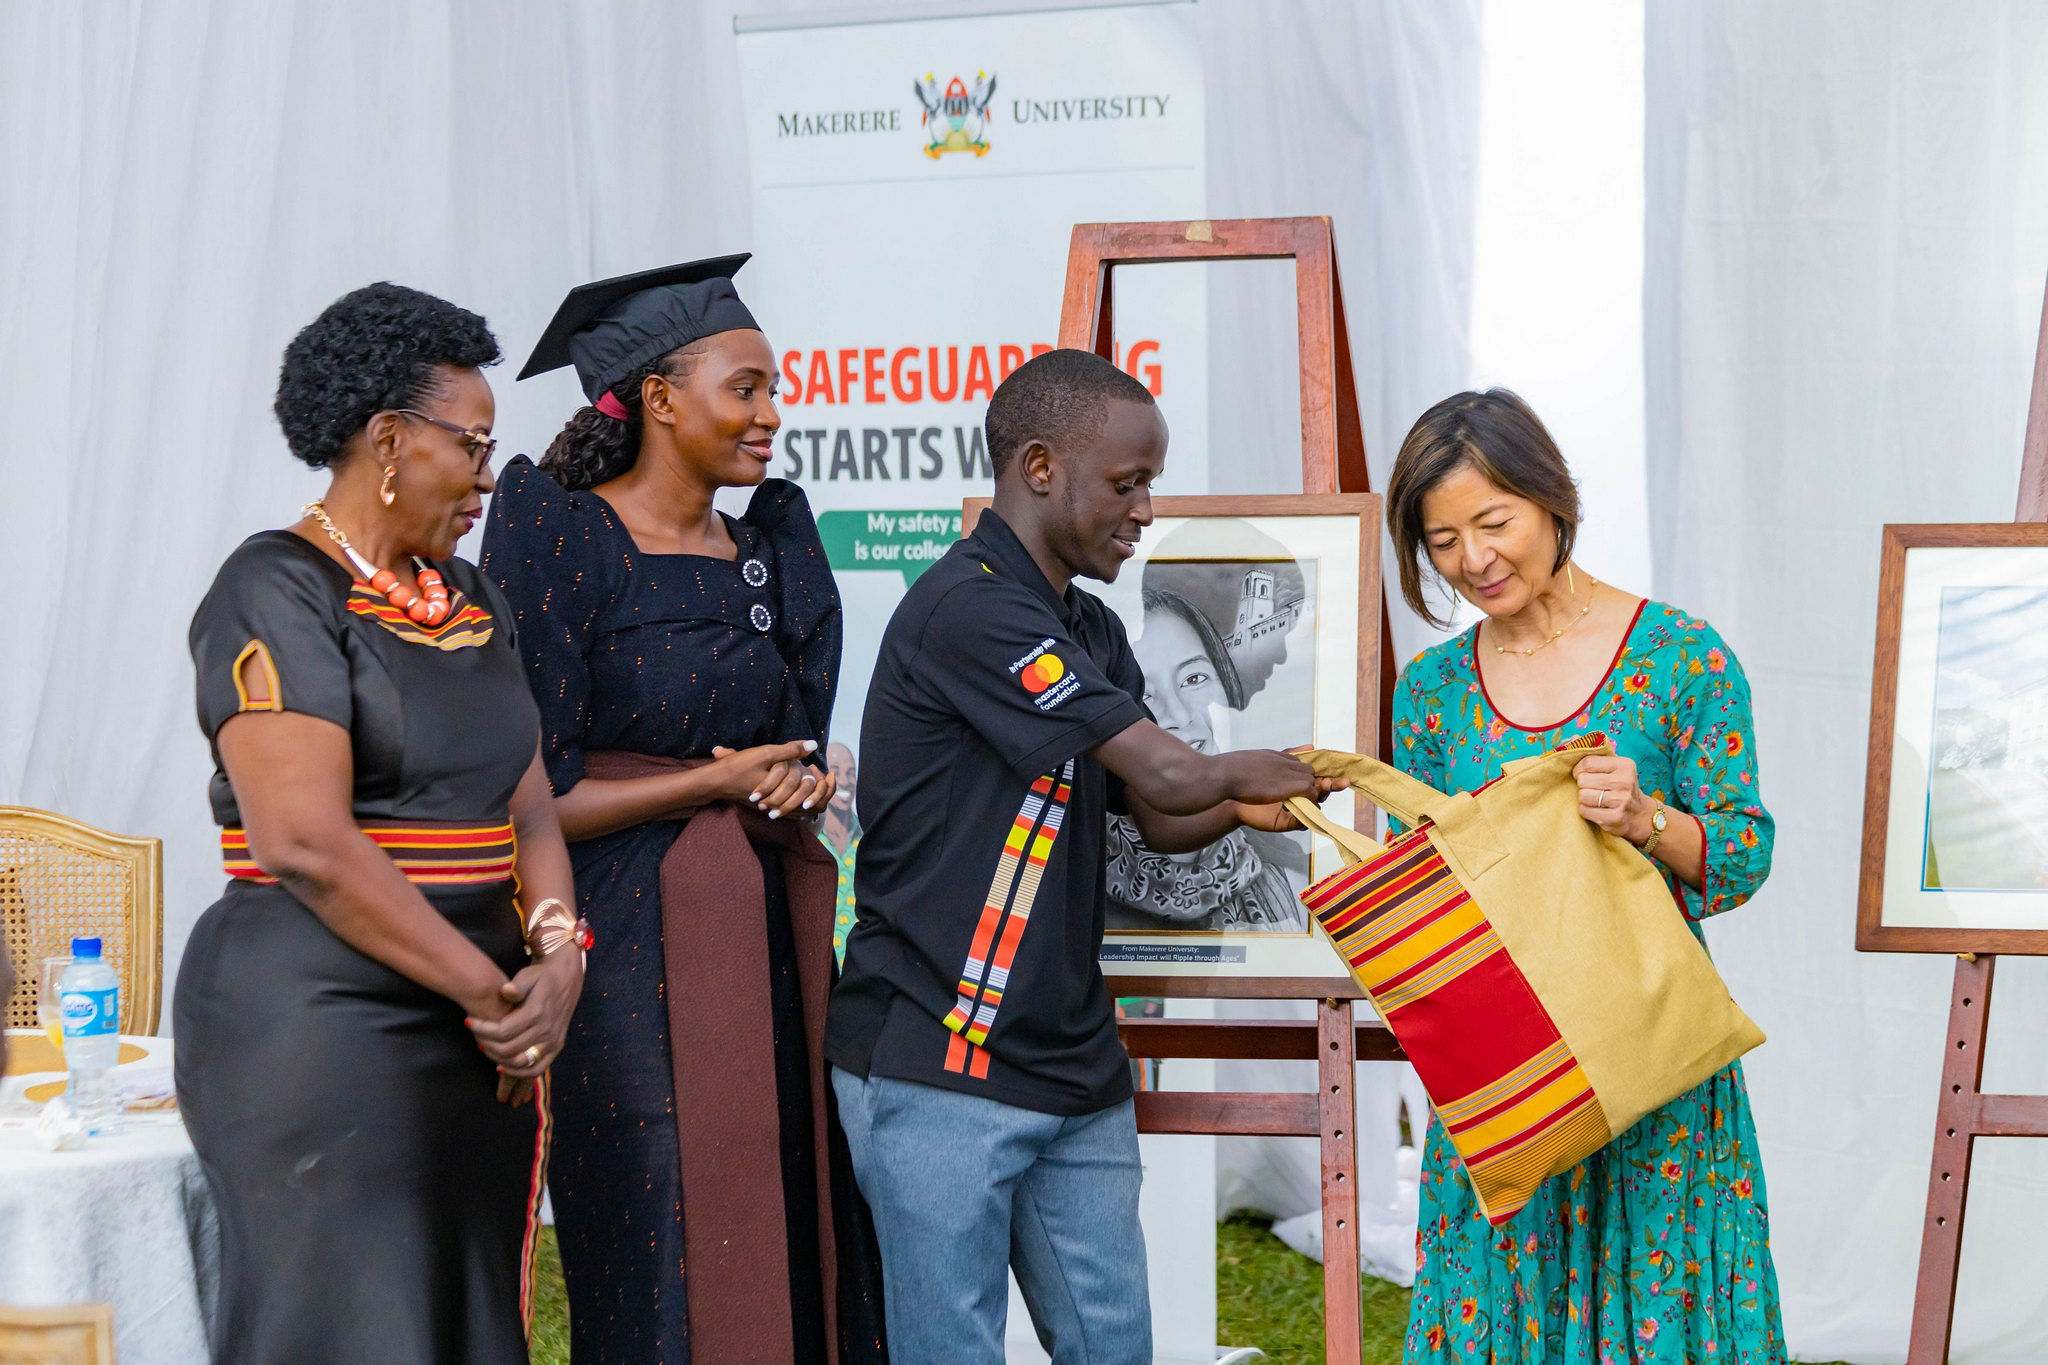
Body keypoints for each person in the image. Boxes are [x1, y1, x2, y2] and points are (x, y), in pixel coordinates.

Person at [826, 348, 1334, 1365]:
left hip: (1072, 1064)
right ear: (1039, 466)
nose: (1145, 510)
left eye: (1150, 483)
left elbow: (1157, 815)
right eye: (1127, 482)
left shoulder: (1089, 627)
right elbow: (1172, 772)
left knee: (1113, 1347)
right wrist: (1266, 766)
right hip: (938, 1060)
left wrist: (1245, 809)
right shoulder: (968, 608)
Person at [481, 255, 884, 1365]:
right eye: (743, 388)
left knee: (789, 1190)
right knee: (662, 1211)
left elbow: (787, 746)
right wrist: (710, 782)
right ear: (660, 398)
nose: (771, 414)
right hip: (620, 944)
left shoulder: (770, 547)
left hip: (765, 928)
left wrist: (795, 780)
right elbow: (536, 797)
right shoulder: (565, 538)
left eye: (772, 389)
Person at [176, 284, 582, 1365]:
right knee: (364, 1329)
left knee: (464, 1324)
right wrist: (492, 993)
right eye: (473, 445)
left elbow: (530, 807)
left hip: (481, 1035)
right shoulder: (274, 587)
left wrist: (558, 956)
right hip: (326, 1028)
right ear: (390, 440)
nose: (489, 477)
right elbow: (303, 842)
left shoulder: (474, 598)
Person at [1383, 389, 1783, 1362]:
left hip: (1650, 1061)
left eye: (1493, 523)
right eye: (1442, 541)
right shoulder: (1431, 691)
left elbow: (1740, 855)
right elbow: (1422, 889)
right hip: (1508, 1078)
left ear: (1550, 498)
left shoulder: (1679, 657)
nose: (1474, 560)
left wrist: (1646, 819)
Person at [1105, 585, 1308, 932]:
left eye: (1194, 679)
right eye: (1142, 694)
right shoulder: (1069, 888)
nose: (1178, 715)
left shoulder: (1291, 891)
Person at [822, 741, 862, 962]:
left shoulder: (868, 843)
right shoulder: (806, 840)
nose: (845, 781)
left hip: (858, 971)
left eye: (851, 773)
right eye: (836, 771)